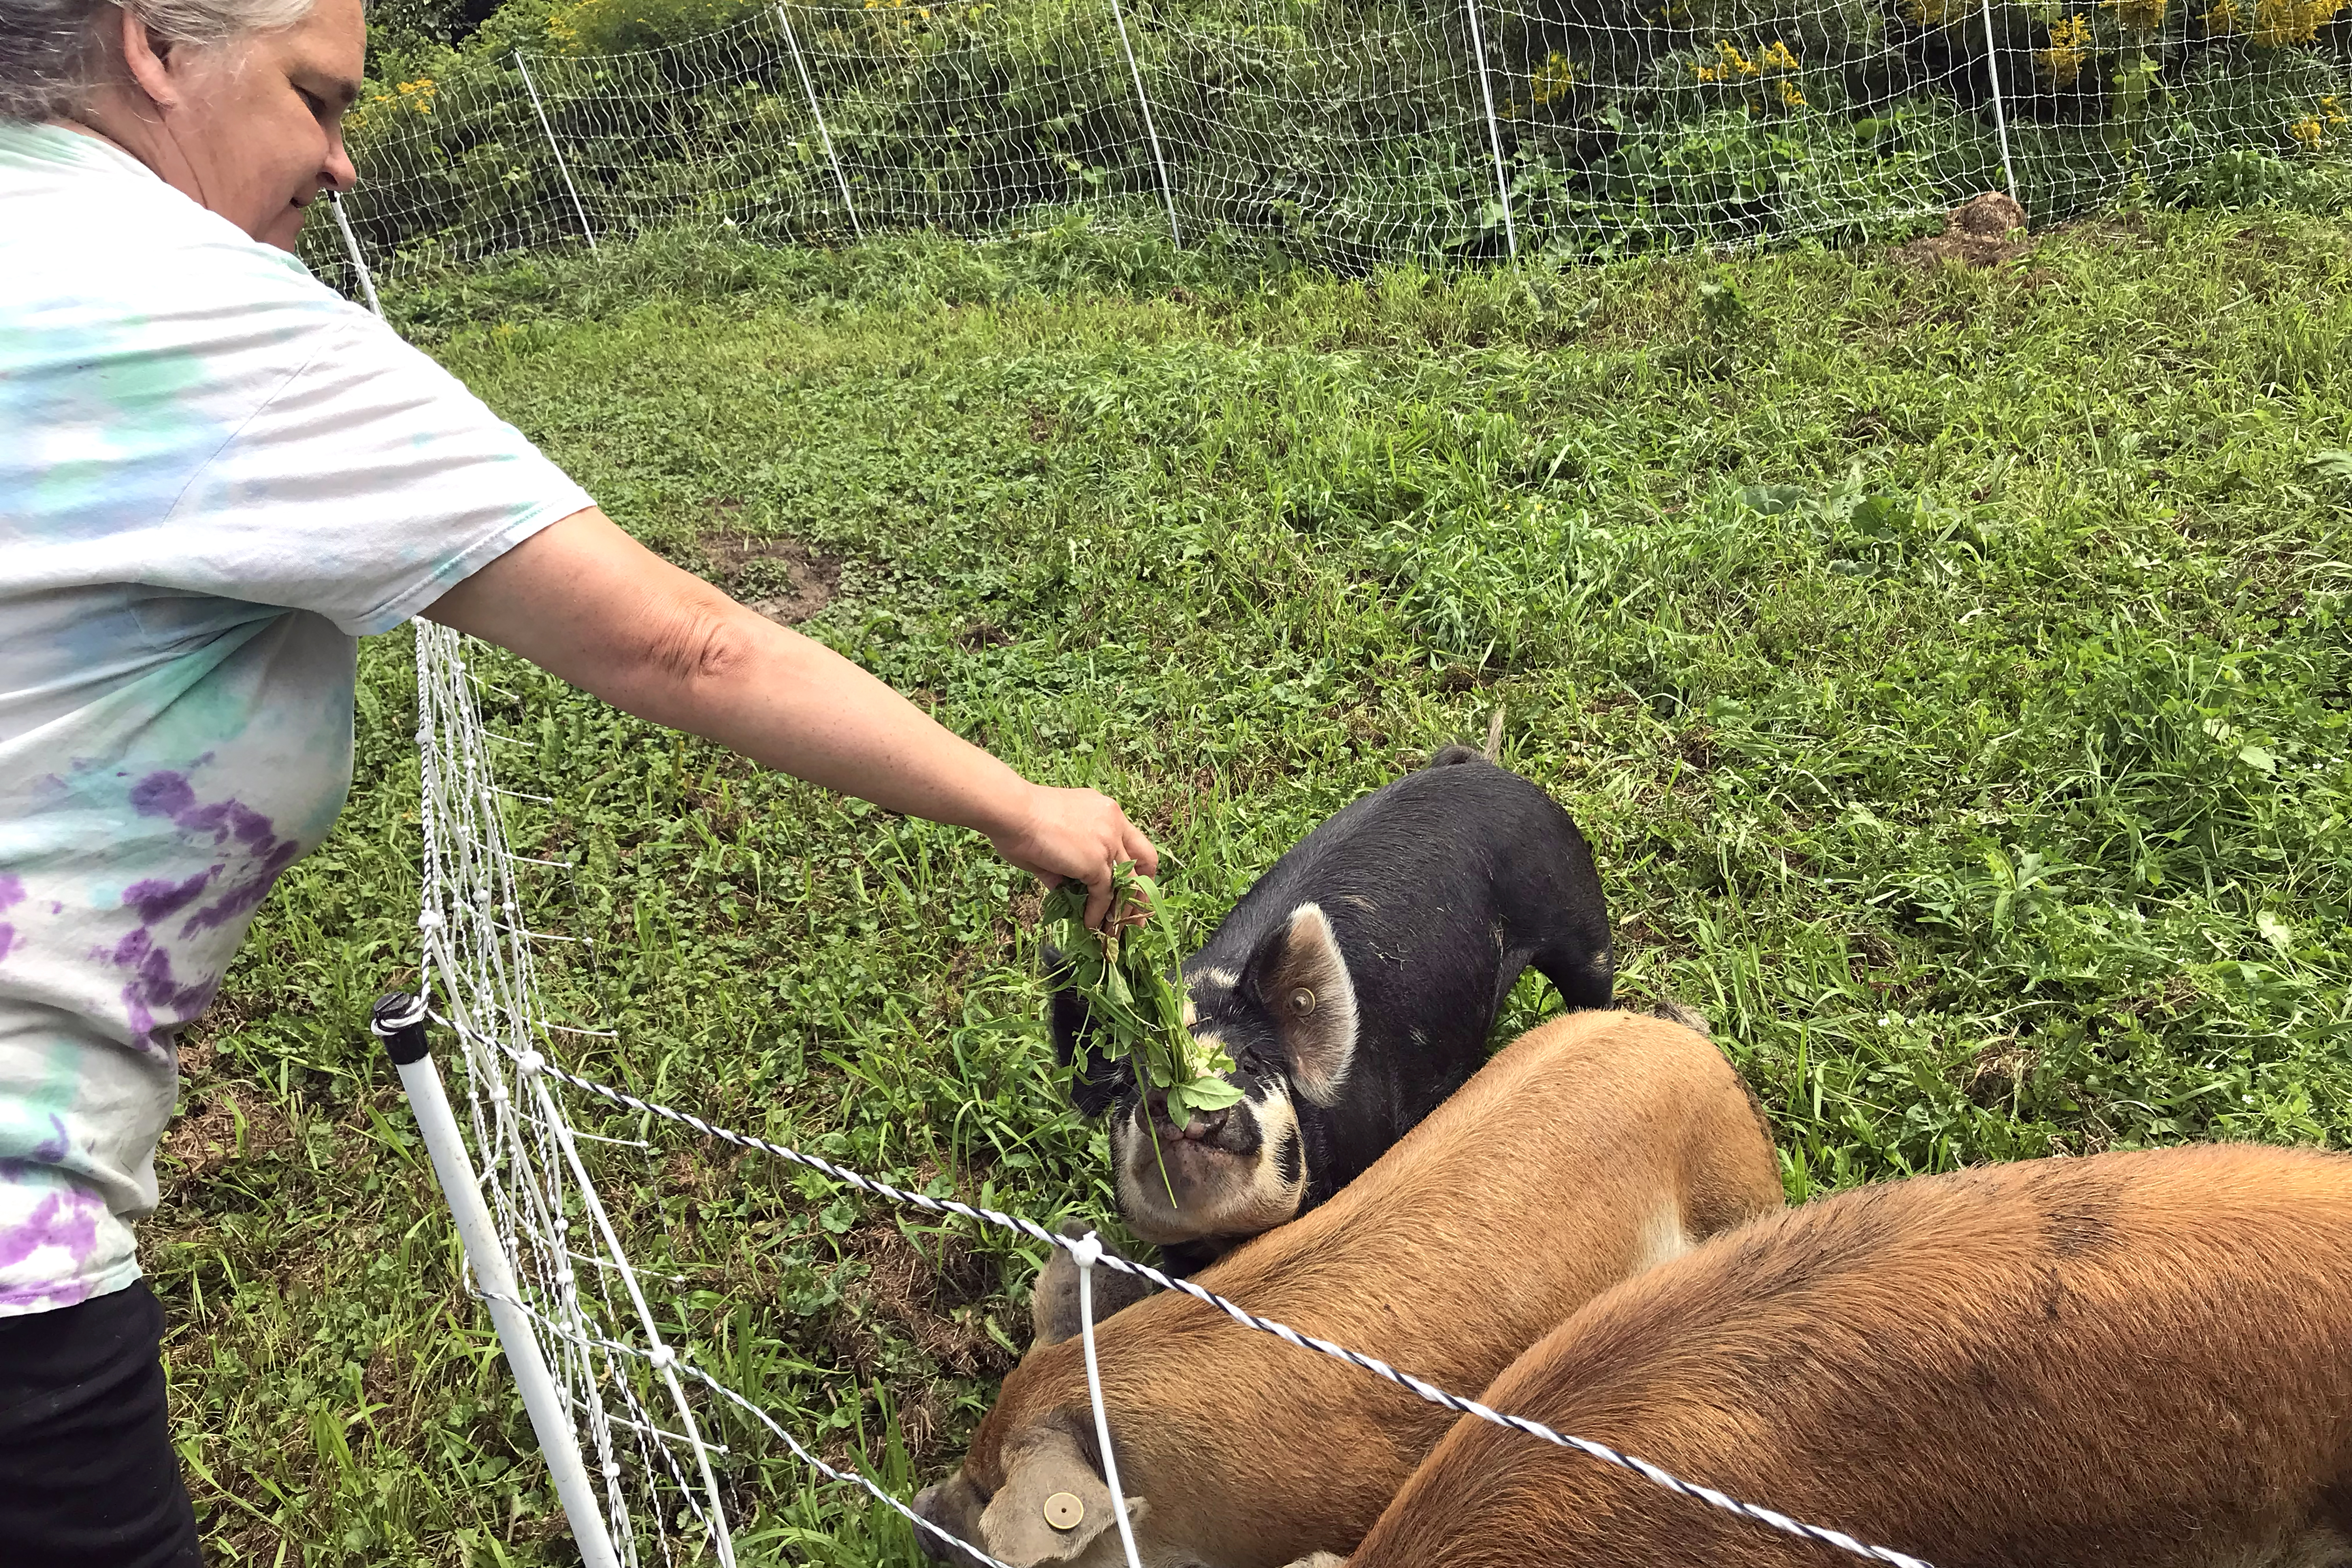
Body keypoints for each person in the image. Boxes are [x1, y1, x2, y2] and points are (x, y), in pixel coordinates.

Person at [0, 0, 1159, 1558]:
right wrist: (1027, 808)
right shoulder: (182, 307)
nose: (342, 167)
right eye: (317, 100)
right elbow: (683, 645)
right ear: (152, 46)